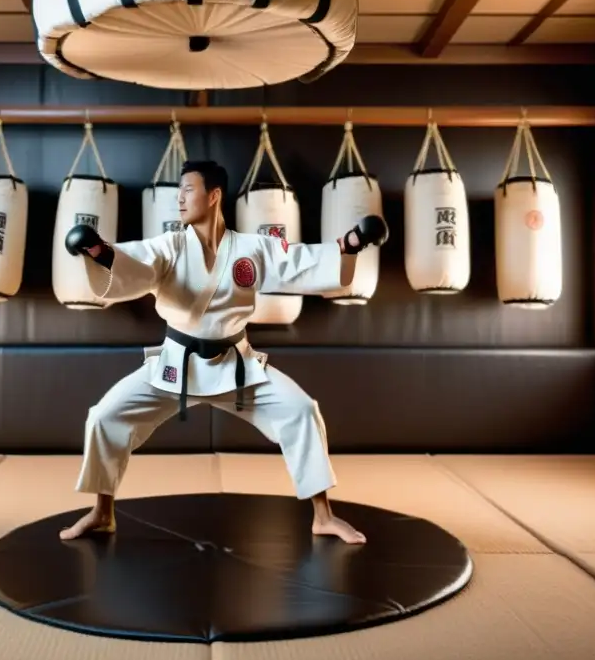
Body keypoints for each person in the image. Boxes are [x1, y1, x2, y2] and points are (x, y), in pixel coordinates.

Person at [61, 160, 388, 545]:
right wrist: (99, 251)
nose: (179, 198)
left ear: (213, 195)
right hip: (174, 367)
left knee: (302, 411)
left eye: (188, 189)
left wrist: (350, 244)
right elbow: (135, 265)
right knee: (105, 416)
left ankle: (323, 516)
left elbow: (298, 261)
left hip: (236, 366)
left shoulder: (251, 248)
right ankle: (102, 513)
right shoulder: (169, 245)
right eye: (178, 191)